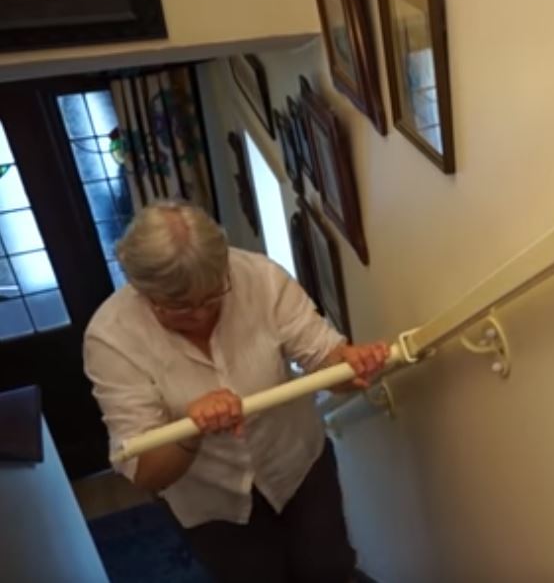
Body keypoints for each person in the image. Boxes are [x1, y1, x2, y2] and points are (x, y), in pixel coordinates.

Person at [84, 202, 389, 583]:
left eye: (213, 296)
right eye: (180, 306)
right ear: (141, 290)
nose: (200, 314)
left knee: (329, 569)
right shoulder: (111, 337)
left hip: (297, 464)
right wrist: (191, 430)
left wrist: (350, 363)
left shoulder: (260, 278)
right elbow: (145, 471)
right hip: (211, 499)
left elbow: (324, 358)